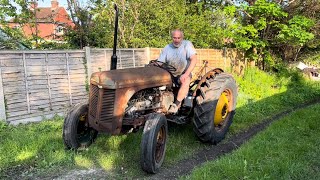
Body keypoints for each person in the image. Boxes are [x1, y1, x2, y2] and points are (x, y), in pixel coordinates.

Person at [158, 29, 198, 114]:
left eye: (178, 38)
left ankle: (176, 105)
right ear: (172, 38)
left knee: (186, 80)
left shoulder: (186, 45)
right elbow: (160, 62)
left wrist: (186, 74)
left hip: (182, 74)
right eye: (174, 38)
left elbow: (194, 59)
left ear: (182, 38)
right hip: (170, 74)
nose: (176, 40)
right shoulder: (167, 48)